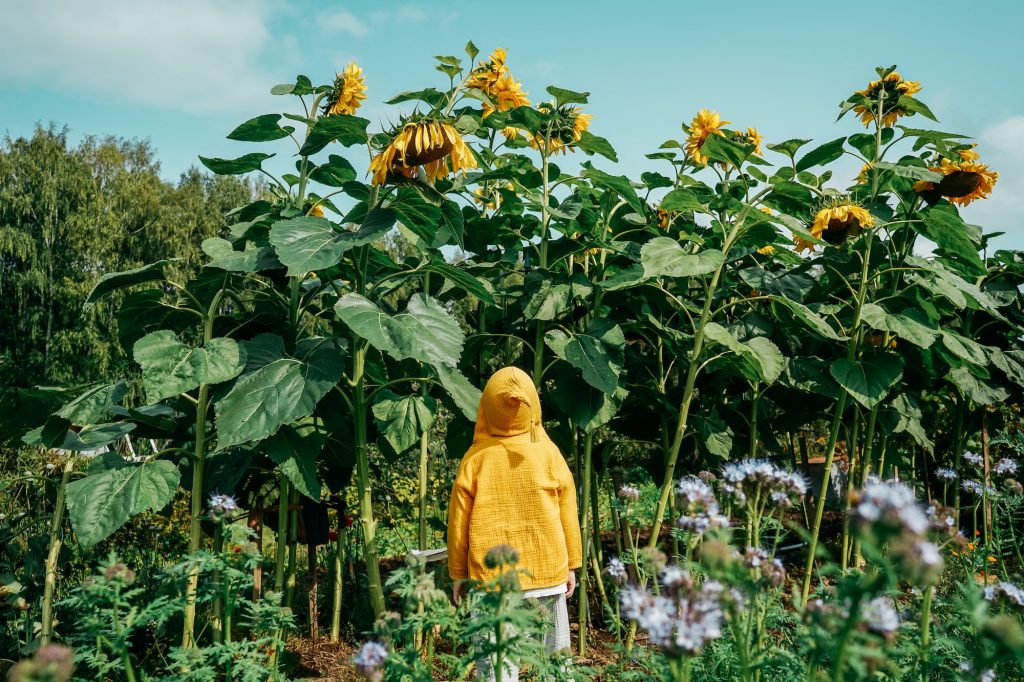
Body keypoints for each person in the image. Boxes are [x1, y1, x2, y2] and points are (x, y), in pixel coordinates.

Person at [447, 366, 583, 680]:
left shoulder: (475, 459)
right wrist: (572, 564)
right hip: (547, 570)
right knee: (555, 658)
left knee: (496, 664)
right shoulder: (550, 454)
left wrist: (458, 574)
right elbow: (567, 511)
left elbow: (458, 523)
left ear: (485, 409)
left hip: (491, 577)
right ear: (533, 407)